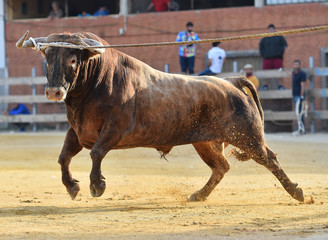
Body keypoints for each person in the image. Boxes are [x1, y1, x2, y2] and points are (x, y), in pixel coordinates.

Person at [259, 24, 287, 90]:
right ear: (268, 30)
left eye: (272, 29)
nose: (271, 30)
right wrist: (264, 54)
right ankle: (265, 86)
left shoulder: (279, 37)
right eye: (269, 29)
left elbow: (284, 46)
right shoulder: (264, 38)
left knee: (278, 73)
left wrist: (280, 53)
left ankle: (280, 86)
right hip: (267, 59)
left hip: (277, 58)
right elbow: (261, 48)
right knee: (267, 73)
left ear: (274, 29)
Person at [292, 59, 308, 135]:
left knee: (300, 113)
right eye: (294, 64)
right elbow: (289, 73)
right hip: (294, 95)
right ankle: (300, 127)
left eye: (297, 64)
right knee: (297, 113)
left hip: (299, 96)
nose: (296, 66)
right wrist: (283, 70)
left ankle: (301, 128)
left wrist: (301, 96)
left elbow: (303, 85)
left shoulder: (302, 74)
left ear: (300, 65)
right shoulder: (294, 73)